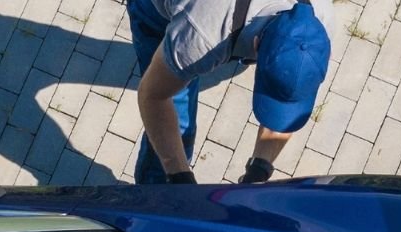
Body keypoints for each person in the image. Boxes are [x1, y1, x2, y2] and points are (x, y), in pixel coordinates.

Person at [126, 0, 334, 184]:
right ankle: (156, 196)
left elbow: (289, 92)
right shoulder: (200, 35)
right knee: (178, 128)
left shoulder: (319, 21)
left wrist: (260, 167)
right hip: (166, 14)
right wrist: (179, 176)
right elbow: (153, 96)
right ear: (256, 44)